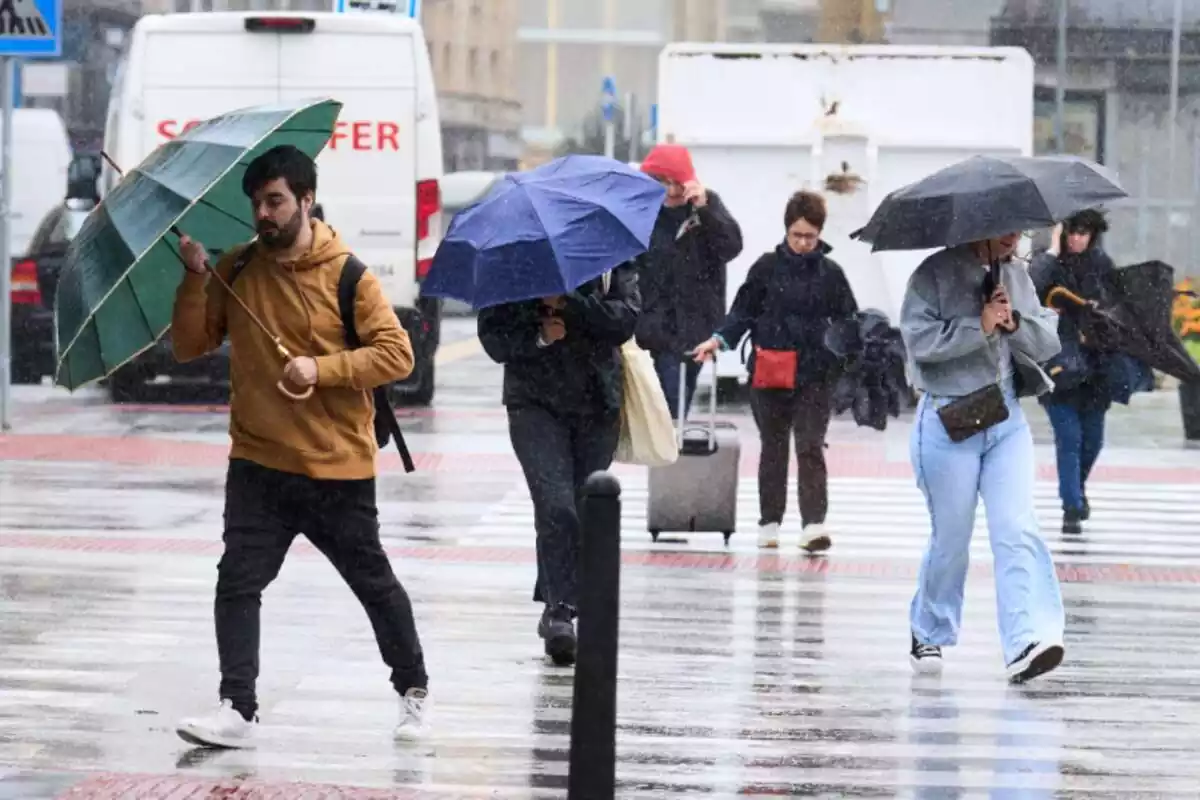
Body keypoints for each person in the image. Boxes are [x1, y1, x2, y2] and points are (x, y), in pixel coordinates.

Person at [170, 145, 429, 748]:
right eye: (257, 202)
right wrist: (192, 278)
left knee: (373, 584)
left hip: (335, 466)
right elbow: (189, 346)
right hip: (258, 462)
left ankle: (412, 689)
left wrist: (323, 369)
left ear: (306, 200)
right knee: (237, 581)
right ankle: (238, 706)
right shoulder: (235, 271)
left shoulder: (348, 275)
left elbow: (398, 355)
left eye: (275, 200)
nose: (263, 213)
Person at [901, 230, 1066, 684]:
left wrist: (1015, 325)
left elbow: (1047, 338)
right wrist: (979, 325)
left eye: (1019, 228)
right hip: (948, 420)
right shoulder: (933, 274)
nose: (1014, 237)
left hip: (1005, 420)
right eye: (1005, 229)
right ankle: (927, 629)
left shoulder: (1016, 274)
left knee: (1016, 529)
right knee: (952, 538)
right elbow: (918, 343)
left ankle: (1026, 640)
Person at [478, 265, 640, 666]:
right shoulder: (516, 265)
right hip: (534, 406)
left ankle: (558, 602)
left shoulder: (609, 259)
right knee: (556, 506)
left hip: (596, 405)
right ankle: (561, 611)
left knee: (582, 511)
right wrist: (537, 331)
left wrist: (570, 304)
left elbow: (624, 321)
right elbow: (494, 339)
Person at [692, 190, 857, 552]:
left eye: (810, 237)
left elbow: (849, 322)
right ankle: (769, 522)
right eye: (796, 235)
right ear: (786, 231)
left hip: (815, 374)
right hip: (769, 374)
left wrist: (851, 361)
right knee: (774, 447)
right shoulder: (765, 269)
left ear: (820, 235)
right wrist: (718, 340)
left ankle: (814, 523)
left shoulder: (832, 274)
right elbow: (742, 313)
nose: (802, 243)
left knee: (810, 446)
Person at [636, 143, 743, 418]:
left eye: (677, 183)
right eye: (662, 182)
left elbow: (731, 247)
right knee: (666, 406)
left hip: (694, 326)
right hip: (653, 325)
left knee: (676, 401)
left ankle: (670, 453)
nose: (671, 191)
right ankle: (669, 453)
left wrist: (705, 209)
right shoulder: (642, 213)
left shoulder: (706, 206)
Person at [1031, 210, 1116, 534]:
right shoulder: (1047, 262)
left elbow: (1115, 307)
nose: (1078, 238)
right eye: (1072, 232)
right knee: (1069, 438)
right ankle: (1071, 505)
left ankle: (1076, 491)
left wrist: (1096, 322)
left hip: (1096, 368)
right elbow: (1032, 288)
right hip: (1058, 365)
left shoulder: (1102, 265)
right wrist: (1052, 249)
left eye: (1085, 232)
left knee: (1092, 441)